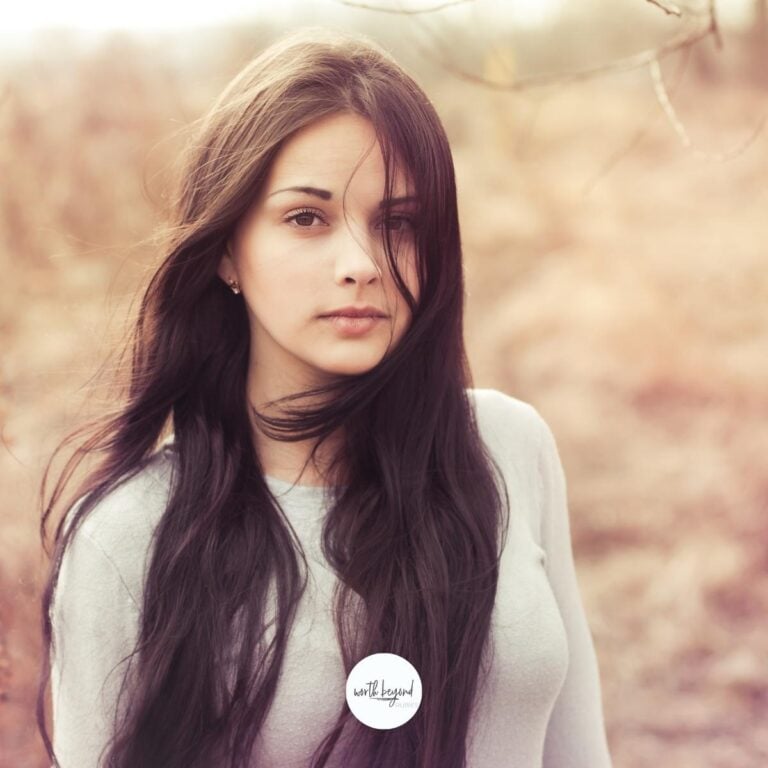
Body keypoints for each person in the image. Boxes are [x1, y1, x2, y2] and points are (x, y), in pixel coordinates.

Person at [37, 26, 613, 768]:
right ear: (224, 249)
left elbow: (577, 750)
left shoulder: (507, 447)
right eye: (306, 218)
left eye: (398, 223)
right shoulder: (128, 537)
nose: (363, 264)